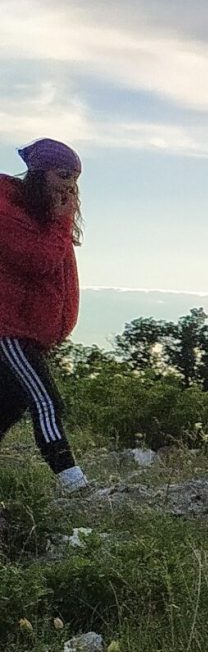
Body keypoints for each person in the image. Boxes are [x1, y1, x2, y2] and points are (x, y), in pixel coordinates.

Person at [0, 139, 89, 495]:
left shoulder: (37, 213)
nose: (70, 185)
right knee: (46, 400)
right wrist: (63, 219)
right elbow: (39, 260)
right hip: (8, 327)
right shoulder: (8, 212)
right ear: (40, 173)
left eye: (76, 178)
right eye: (64, 175)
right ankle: (73, 482)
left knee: (10, 404)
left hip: (25, 329)